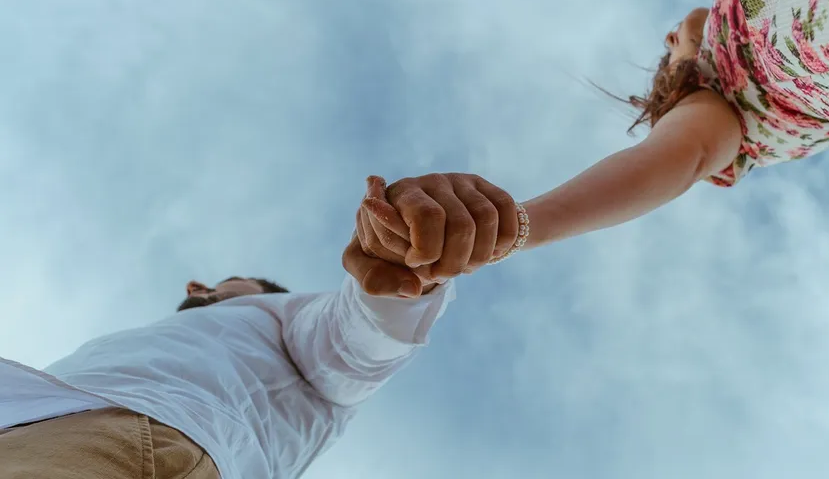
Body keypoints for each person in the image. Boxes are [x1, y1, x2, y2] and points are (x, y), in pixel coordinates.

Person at [360, 0, 829, 259]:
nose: (670, 36)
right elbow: (675, 158)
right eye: (667, 54)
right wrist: (519, 225)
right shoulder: (726, 100)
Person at [0, 173, 521, 479]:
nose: (197, 285)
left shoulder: (282, 318)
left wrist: (402, 271)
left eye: (229, 281)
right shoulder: (141, 343)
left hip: (139, 440)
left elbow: (354, 341)